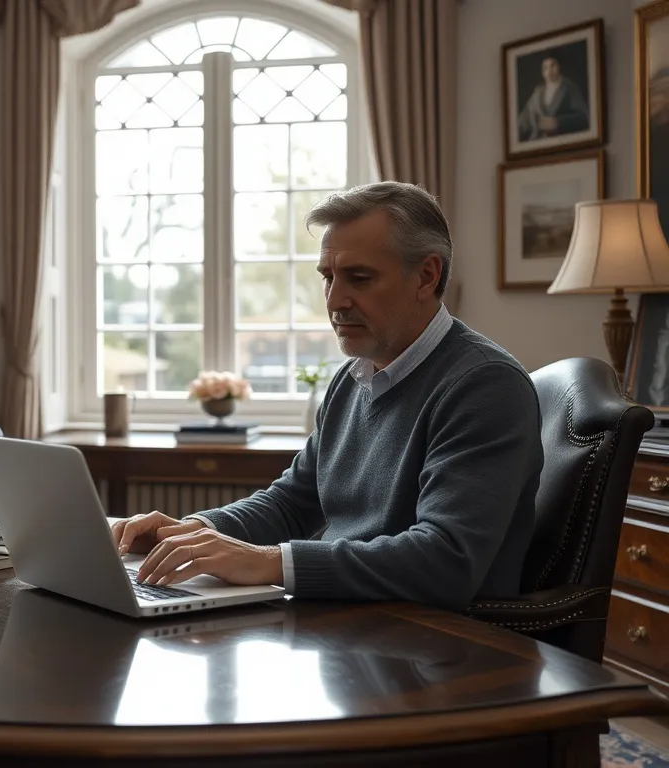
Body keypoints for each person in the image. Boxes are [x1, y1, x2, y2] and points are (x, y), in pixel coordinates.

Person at [111, 181, 544, 612]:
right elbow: (291, 504)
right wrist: (189, 533)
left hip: (440, 644)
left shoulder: (485, 386)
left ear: (427, 276)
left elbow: (446, 559)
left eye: (359, 277)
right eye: (328, 277)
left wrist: (268, 562)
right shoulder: (351, 379)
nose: (335, 300)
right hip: (353, 622)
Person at [517, 53, 589, 142]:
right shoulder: (538, 92)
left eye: (552, 65)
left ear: (559, 67)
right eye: (545, 68)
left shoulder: (569, 88)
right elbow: (524, 119)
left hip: (562, 141)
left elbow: (584, 117)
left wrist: (557, 122)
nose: (549, 71)